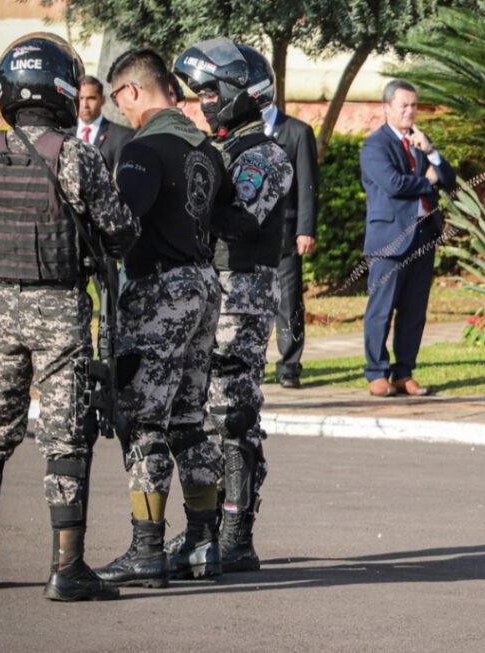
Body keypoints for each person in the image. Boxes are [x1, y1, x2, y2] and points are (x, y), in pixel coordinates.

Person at [0, 32, 139, 601]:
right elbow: (121, 228)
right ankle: (67, 568)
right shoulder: (74, 155)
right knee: (64, 435)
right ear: (60, 89)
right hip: (58, 307)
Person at [94, 48, 229, 587]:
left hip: (159, 293)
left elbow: (122, 222)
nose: (120, 112)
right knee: (190, 422)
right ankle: (202, 543)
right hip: (203, 284)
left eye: (118, 100)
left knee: (145, 421)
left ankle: (146, 549)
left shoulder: (141, 148)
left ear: (131, 91)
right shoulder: (205, 149)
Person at [173, 38, 293, 573]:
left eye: (211, 91)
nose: (203, 101)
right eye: (198, 93)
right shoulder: (218, 149)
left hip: (242, 295)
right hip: (207, 292)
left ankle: (236, 536)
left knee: (233, 416)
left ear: (240, 93)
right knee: (199, 416)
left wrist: (191, 200)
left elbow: (243, 217)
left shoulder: (264, 154)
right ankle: (205, 532)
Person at [359, 79, 456, 397]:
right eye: (404, 105)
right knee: (381, 309)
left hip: (423, 235)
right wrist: (427, 179)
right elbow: (393, 184)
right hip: (390, 237)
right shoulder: (375, 145)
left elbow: (449, 179)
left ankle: (404, 372)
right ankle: (376, 372)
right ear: (386, 108)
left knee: (414, 310)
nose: (411, 111)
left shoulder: (419, 142)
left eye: (414, 105)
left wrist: (432, 153)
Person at [264, 100, 320, 390]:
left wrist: (305, 229)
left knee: (288, 302)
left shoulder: (297, 131)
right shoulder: (240, 131)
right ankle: (252, 360)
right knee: (251, 302)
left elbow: (308, 184)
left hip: (285, 232)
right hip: (248, 234)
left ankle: (289, 366)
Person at [75, 74, 134, 173]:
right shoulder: (62, 131)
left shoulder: (121, 137)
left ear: (102, 100)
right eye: (80, 98)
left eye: (91, 98)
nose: (85, 105)